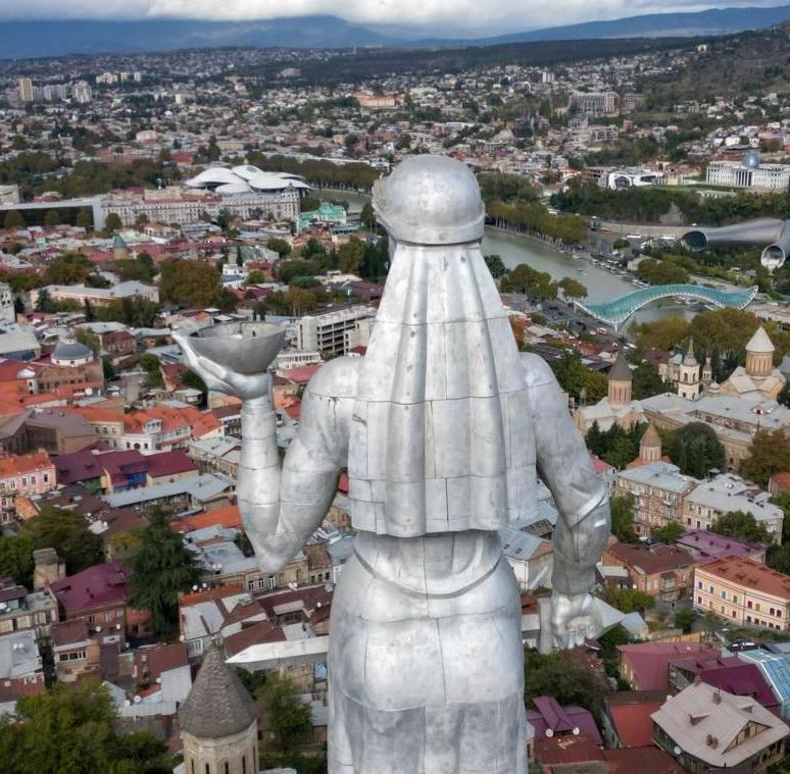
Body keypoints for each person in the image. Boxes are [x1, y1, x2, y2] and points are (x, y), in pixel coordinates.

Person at [179, 155, 609, 773]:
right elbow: (588, 510)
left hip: (380, 627)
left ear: (393, 245)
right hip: (485, 629)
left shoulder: (342, 389)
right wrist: (569, 592)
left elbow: (273, 542)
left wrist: (253, 404)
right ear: (478, 239)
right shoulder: (530, 383)